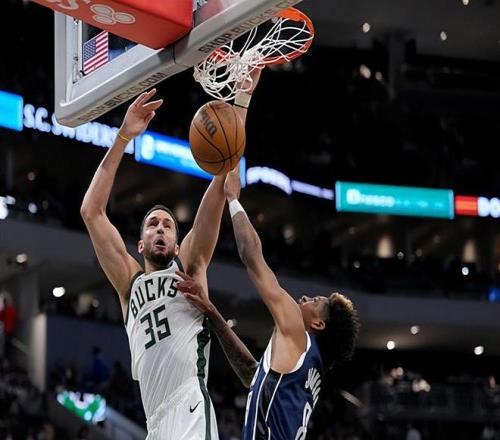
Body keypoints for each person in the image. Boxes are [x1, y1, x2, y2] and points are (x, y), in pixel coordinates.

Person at [80, 76, 260, 439]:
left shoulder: (188, 265)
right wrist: (123, 137)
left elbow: (222, 173)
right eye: (152, 225)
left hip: (189, 406)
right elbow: (91, 212)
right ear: (140, 245)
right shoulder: (129, 284)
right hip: (155, 422)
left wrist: (241, 99)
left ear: (178, 245)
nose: (160, 228)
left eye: (167, 225)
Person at [176, 168, 360, 440]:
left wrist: (233, 199)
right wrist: (211, 311)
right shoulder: (308, 370)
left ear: (318, 324)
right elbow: (252, 375)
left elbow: (251, 256)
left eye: (315, 301)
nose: (305, 298)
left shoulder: (298, 332)